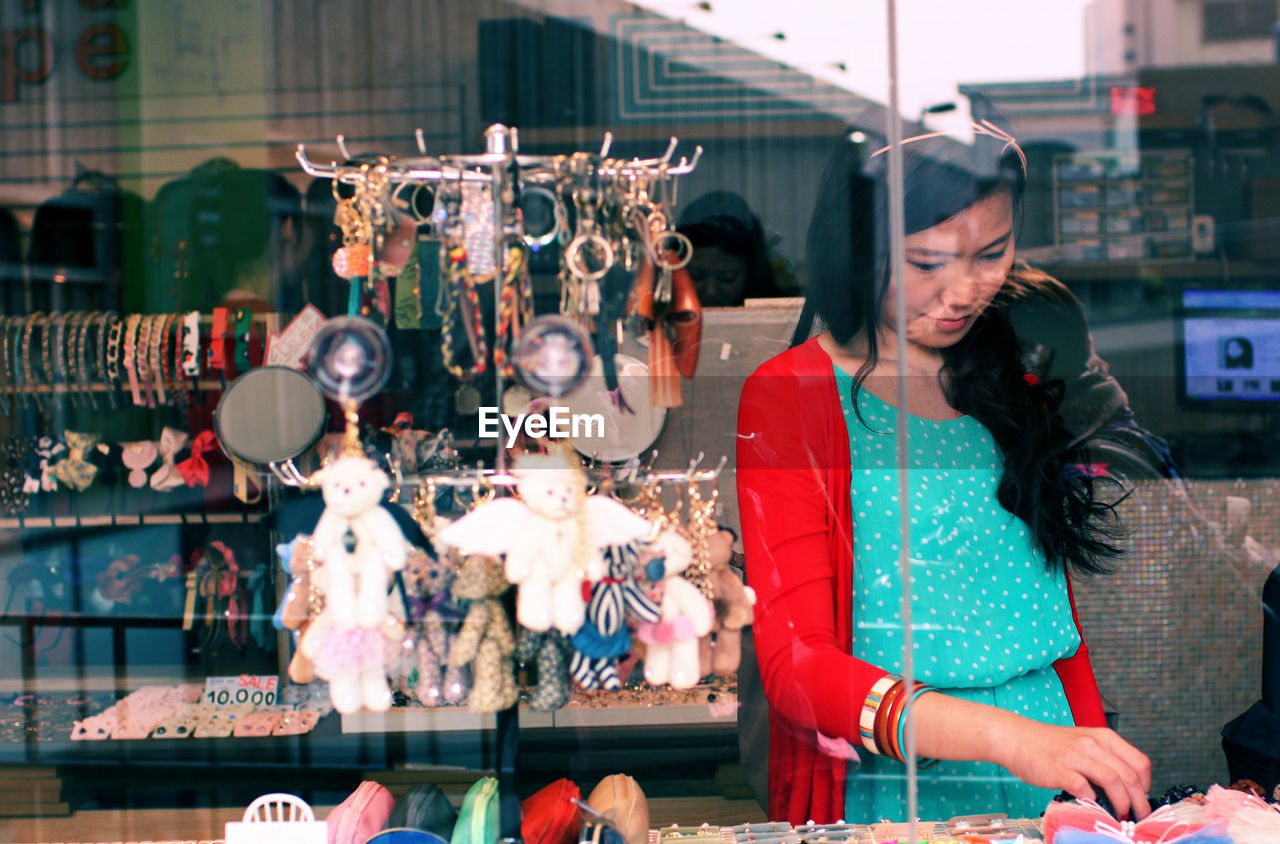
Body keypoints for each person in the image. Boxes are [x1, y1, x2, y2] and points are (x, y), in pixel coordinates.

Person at [736, 122, 1152, 825]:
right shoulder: (792, 394)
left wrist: (1097, 772)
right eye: (928, 262)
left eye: (993, 253)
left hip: (1049, 768)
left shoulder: (1012, 371)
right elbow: (797, 665)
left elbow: (1056, 622)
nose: (965, 290)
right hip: (905, 782)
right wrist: (1011, 740)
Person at [677, 191, 798, 307]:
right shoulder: (659, 311)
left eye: (728, 277)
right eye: (696, 275)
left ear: (752, 272)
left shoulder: (783, 309)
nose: (711, 291)